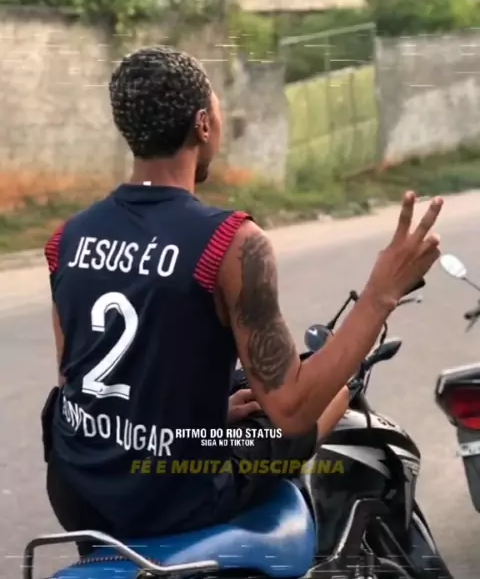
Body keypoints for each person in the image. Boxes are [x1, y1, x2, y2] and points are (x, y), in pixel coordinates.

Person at [42, 46, 443, 558]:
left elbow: (77, 378)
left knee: (239, 396)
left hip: (77, 490)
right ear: (203, 124)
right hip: (169, 496)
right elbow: (292, 410)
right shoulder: (230, 242)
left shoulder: (68, 238)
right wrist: (382, 291)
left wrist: (198, 416)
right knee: (305, 411)